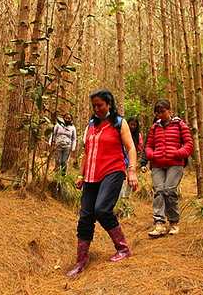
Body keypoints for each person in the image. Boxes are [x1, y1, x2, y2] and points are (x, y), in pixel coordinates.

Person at [67, 89, 139, 277]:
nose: (97, 109)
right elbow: (86, 152)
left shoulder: (119, 123)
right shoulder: (91, 124)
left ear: (109, 104)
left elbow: (131, 148)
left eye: (100, 105)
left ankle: (123, 249)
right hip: (91, 175)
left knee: (102, 209)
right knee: (85, 217)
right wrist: (81, 175)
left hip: (113, 171)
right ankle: (81, 260)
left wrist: (132, 170)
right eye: (94, 106)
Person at [145, 98, 193, 237]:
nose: (160, 115)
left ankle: (173, 222)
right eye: (158, 112)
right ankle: (159, 223)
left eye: (163, 111)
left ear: (170, 110)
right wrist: (151, 154)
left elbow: (189, 144)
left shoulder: (180, 125)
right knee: (159, 190)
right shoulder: (155, 127)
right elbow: (148, 145)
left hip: (175, 163)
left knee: (169, 191)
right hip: (157, 164)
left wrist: (178, 154)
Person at [120, 116, 142, 198]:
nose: (132, 126)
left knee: (130, 176)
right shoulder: (123, 132)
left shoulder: (138, 136)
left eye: (134, 125)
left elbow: (139, 146)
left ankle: (127, 195)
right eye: (131, 124)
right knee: (121, 175)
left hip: (131, 158)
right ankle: (121, 194)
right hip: (122, 156)